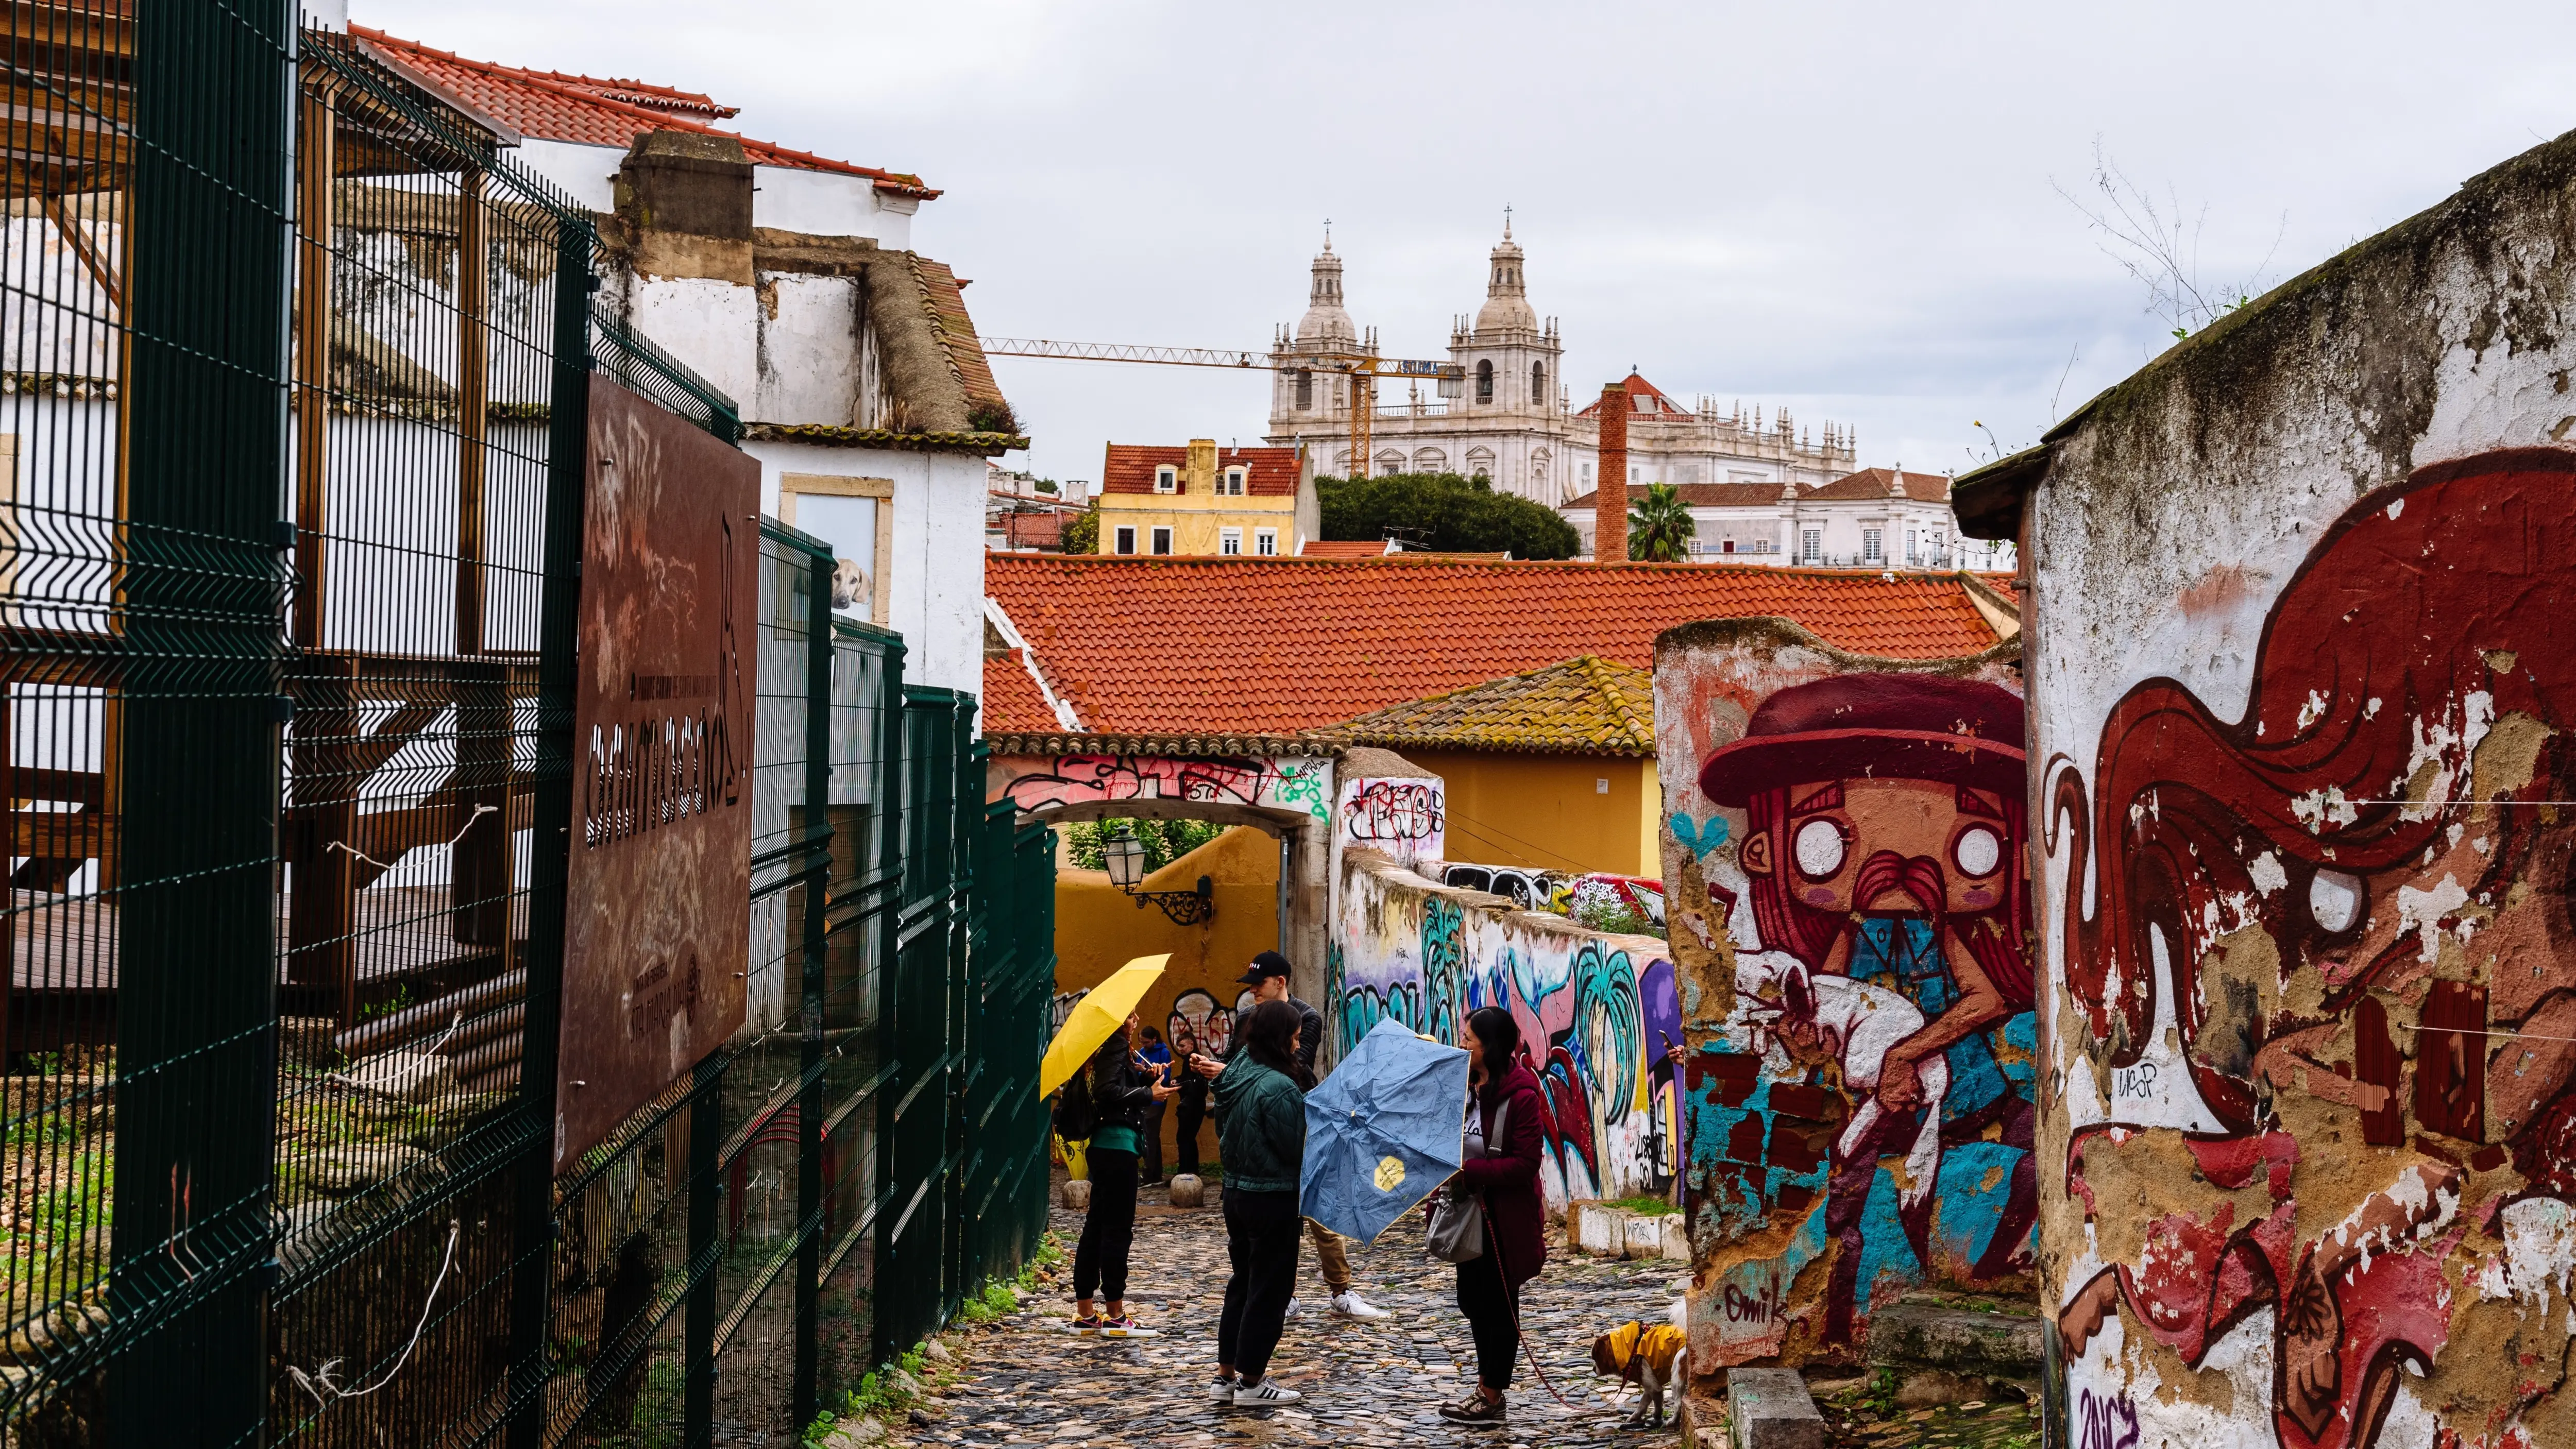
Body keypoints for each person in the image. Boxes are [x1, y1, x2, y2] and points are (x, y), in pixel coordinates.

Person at [1188, 951, 1393, 1320]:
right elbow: (1241, 1064)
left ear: (1280, 982)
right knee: (1279, 1216)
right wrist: (1220, 1071)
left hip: (1299, 1112)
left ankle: (1341, 1290)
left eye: (1258, 984)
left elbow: (1295, 1067)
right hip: (1263, 1115)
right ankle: (1285, 1295)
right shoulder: (1248, 1019)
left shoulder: (1306, 1017)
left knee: (1319, 1205)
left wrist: (1229, 1071)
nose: (1252, 993)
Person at [1440, 1005, 1547, 1424]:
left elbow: (1525, 1164)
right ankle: (1487, 1384)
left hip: (1504, 1222)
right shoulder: (1464, 1088)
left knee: (1499, 1307)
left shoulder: (1521, 1096)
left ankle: (1491, 1394)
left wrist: (1470, 1171)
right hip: (1469, 1218)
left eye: (1469, 1039)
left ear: (1492, 1047)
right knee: (1472, 1301)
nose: (1462, 1044)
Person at [1210, 998, 1310, 1406]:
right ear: (1281, 1037)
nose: (1298, 1043)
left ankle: (1226, 1376)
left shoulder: (1236, 1072)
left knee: (1243, 1282)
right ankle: (1253, 1383)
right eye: (1296, 1037)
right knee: (1270, 1290)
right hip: (1272, 1198)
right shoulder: (1280, 1086)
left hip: (1236, 1193)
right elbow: (1294, 1148)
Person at [1071, 1012, 1178, 1331]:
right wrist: (1150, 1094)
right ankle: (1116, 1315)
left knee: (1096, 1227)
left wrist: (1149, 1077)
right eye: (1131, 1016)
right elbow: (1108, 1092)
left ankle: (1086, 1312)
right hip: (1118, 1150)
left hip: (1106, 1149)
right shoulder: (1117, 1044)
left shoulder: (1108, 1047)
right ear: (1121, 1022)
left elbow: (1117, 1086)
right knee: (1117, 1230)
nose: (1137, 1019)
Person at [1170, 1022, 1210, 1179]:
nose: (1180, 1049)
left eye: (1182, 1046)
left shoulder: (1194, 1060)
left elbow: (1195, 1084)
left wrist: (1179, 1084)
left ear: (1191, 1044)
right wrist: (1177, 1080)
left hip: (1193, 1105)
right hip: (1193, 1104)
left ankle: (1187, 1172)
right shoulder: (1190, 1059)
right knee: (1187, 1138)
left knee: (1185, 1138)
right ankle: (1190, 1171)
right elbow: (1188, 1080)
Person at [1136, 1025, 1174, 1181]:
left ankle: (1149, 1174)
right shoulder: (1143, 1052)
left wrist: (1148, 1072)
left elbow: (1165, 1076)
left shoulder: (1163, 1053)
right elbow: (1138, 1073)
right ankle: (1156, 1172)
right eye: (1141, 1043)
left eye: (1146, 1042)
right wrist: (1140, 1070)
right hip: (1145, 1097)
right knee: (1152, 1136)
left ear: (1154, 1039)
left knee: (1150, 1136)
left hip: (1157, 1100)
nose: (1143, 1046)